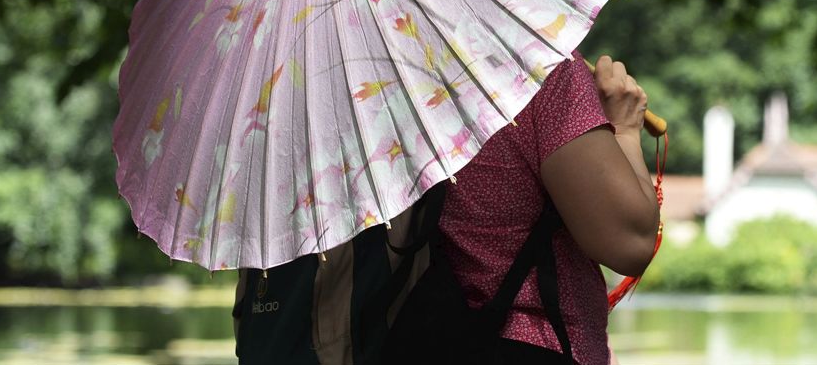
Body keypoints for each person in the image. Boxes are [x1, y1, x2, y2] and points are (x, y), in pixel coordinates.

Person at [233, 52, 659, 365]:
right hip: (530, 344)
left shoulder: (337, 79)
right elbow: (629, 240)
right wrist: (624, 128)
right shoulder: (527, 66)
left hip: (410, 345)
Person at [428, 52, 660, 364]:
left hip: (430, 338)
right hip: (538, 343)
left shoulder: (385, 82)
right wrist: (625, 129)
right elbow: (631, 241)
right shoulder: (534, 66)